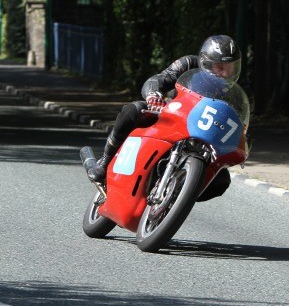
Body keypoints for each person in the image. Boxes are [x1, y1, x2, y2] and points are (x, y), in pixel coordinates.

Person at [86, 34, 244, 201]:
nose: (225, 73)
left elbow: (241, 124)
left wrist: (241, 143)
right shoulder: (189, 64)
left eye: (230, 68)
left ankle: (176, 196)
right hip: (170, 118)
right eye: (220, 67)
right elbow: (159, 79)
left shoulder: (239, 94)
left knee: (222, 180)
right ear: (206, 63)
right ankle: (105, 161)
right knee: (134, 110)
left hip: (204, 139)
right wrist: (154, 96)